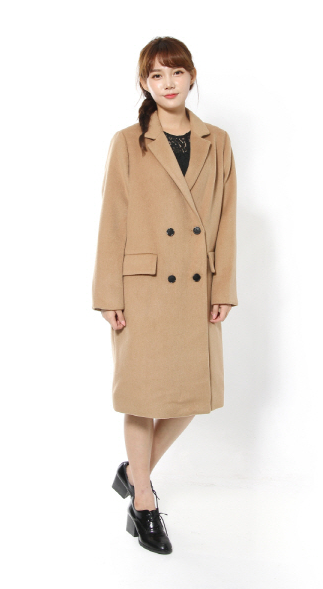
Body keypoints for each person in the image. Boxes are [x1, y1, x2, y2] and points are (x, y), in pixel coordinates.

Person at [92, 36, 238, 555]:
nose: (168, 83)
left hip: (197, 289)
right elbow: (112, 220)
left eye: (176, 72)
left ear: (192, 76)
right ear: (144, 83)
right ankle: (144, 502)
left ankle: (135, 470)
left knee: (193, 394)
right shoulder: (127, 141)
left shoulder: (217, 141)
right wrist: (108, 293)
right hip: (143, 289)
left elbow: (225, 219)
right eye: (157, 74)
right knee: (141, 396)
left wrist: (224, 286)